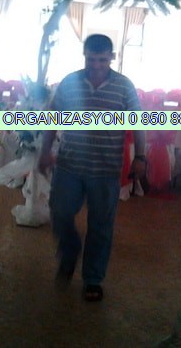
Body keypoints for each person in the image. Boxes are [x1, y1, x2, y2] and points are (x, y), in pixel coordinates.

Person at [38, 34, 146, 302]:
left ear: (112, 57)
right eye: (91, 59)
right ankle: (70, 249)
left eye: (102, 60)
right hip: (69, 164)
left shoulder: (124, 86)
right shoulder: (70, 82)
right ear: (84, 56)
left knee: (101, 226)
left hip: (106, 169)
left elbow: (138, 123)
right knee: (60, 212)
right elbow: (52, 118)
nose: (96, 65)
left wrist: (141, 156)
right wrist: (45, 152)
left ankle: (93, 279)